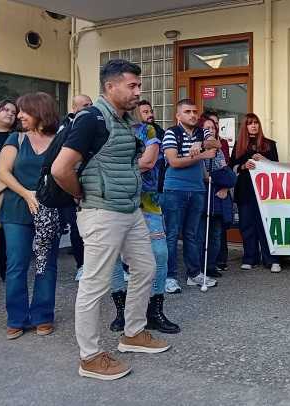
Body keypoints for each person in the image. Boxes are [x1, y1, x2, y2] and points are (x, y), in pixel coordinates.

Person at [52, 59, 170, 380]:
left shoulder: (125, 120)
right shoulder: (92, 120)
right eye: (132, 86)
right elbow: (61, 169)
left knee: (146, 267)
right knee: (95, 284)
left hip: (130, 210)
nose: (138, 91)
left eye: (138, 85)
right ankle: (89, 357)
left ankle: (133, 333)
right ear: (110, 86)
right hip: (102, 212)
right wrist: (82, 194)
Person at [108, 108, 179, 335]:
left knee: (160, 254)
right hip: (115, 202)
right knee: (113, 258)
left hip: (148, 203)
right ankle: (122, 311)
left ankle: (154, 312)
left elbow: (148, 163)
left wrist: (111, 166)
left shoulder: (148, 131)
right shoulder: (107, 129)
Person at [0, 92, 60, 340]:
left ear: (39, 111)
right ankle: (16, 318)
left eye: (24, 110)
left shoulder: (59, 139)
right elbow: (3, 172)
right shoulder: (17, 138)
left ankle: (42, 316)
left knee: (46, 265)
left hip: (49, 211)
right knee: (16, 265)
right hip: (16, 210)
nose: (19, 115)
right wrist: (26, 194)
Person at [161, 99, 219, 293]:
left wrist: (200, 143)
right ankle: (169, 277)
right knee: (172, 234)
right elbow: (174, 162)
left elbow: (216, 143)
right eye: (187, 112)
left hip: (197, 189)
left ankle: (194, 274)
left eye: (195, 111)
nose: (193, 115)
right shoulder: (171, 133)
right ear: (178, 116)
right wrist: (200, 155)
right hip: (175, 189)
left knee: (192, 234)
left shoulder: (202, 132)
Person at [230, 113, 282, 273]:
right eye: (250, 123)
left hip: (265, 192)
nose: (253, 126)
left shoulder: (269, 144)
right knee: (247, 225)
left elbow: (278, 168)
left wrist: (265, 161)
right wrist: (243, 166)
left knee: (266, 225)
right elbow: (232, 168)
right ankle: (249, 258)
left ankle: (272, 260)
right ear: (245, 126)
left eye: (256, 123)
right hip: (245, 190)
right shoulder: (239, 145)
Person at [196, 117, 235, 278]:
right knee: (201, 234)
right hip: (203, 196)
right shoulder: (197, 148)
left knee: (215, 234)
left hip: (217, 197)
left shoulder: (218, 150)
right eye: (207, 128)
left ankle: (211, 266)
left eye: (213, 128)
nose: (211, 131)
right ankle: (199, 267)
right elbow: (204, 174)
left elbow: (227, 174)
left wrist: (222, 182)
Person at [59, 94, 92, 282]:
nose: (89, 108)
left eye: (90, 104)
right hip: (70, 185)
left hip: (91, 183)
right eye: (84, 105)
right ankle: (81, 265)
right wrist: (74, 190)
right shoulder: (66, 127)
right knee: (77, 227)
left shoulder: (96, 124)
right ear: (74, 108)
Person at [0, 99, 18, 282]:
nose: (10, 114)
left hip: (6, 191)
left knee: (5, 236)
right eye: (6, 110)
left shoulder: (17, 138)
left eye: (13, 112)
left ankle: (5, 273)